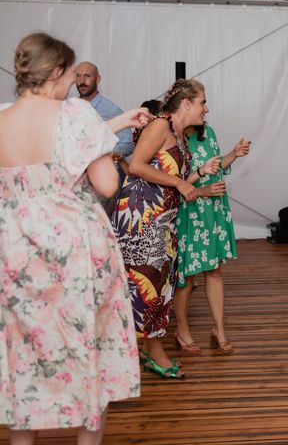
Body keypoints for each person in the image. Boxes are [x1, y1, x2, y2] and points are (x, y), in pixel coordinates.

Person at [0, 32, 148, 444]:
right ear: (59, 71)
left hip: (16, 252)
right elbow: (104, 183)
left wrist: (114, 123)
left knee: (24, 356)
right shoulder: (76, 113)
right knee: (89, 348)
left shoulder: (1, 118)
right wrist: (107, 148)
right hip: (75, 251)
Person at [111, 79, 220, 379]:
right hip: (141, 220)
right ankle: (150, 350)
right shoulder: (160, 125)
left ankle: (149, 348)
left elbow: (176, 178)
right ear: (186, 103)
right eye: (202, 102)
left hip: (163, 221)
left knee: (161, 287)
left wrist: (200, 172)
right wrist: (180, 182)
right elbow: (137, 167)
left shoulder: (180, 135)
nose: (206, 109)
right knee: (147, 287)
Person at [173, 120, 251, 354]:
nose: (206, 109)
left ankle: (219, 330)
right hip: (188, 211)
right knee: (186, 274)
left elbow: (216, 166)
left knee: (215, 269)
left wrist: (234, 155)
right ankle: (182, 330)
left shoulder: (208, 133)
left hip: (213, 209)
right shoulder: (173, 138)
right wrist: (202, 185)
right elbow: (175, 183)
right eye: (201, 103)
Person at [76, 61, 132, 215]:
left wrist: (102, 153)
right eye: (78, 76)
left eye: (87, 76)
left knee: (96, 228)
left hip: (101, 183)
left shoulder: (110, 109)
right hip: (74, 180)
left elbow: (127, 144)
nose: (82, 81)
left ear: (98, 79)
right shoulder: (70, 108)